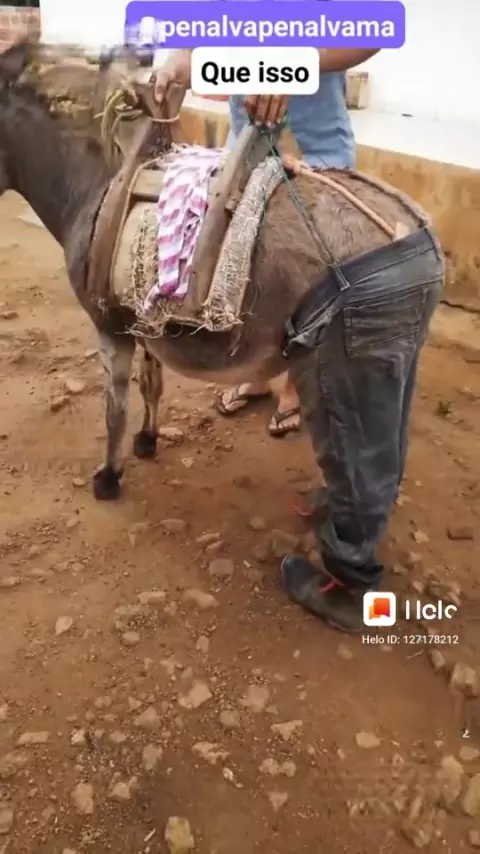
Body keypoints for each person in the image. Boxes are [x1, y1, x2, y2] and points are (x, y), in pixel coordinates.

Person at [153, 49, 444, 634]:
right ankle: (345, 502)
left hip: (317, 196)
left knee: (346, 404)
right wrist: (181, 61)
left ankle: (349, 581)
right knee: (370, 402)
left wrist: (284, 63)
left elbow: (364, 28)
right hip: (260, 182)